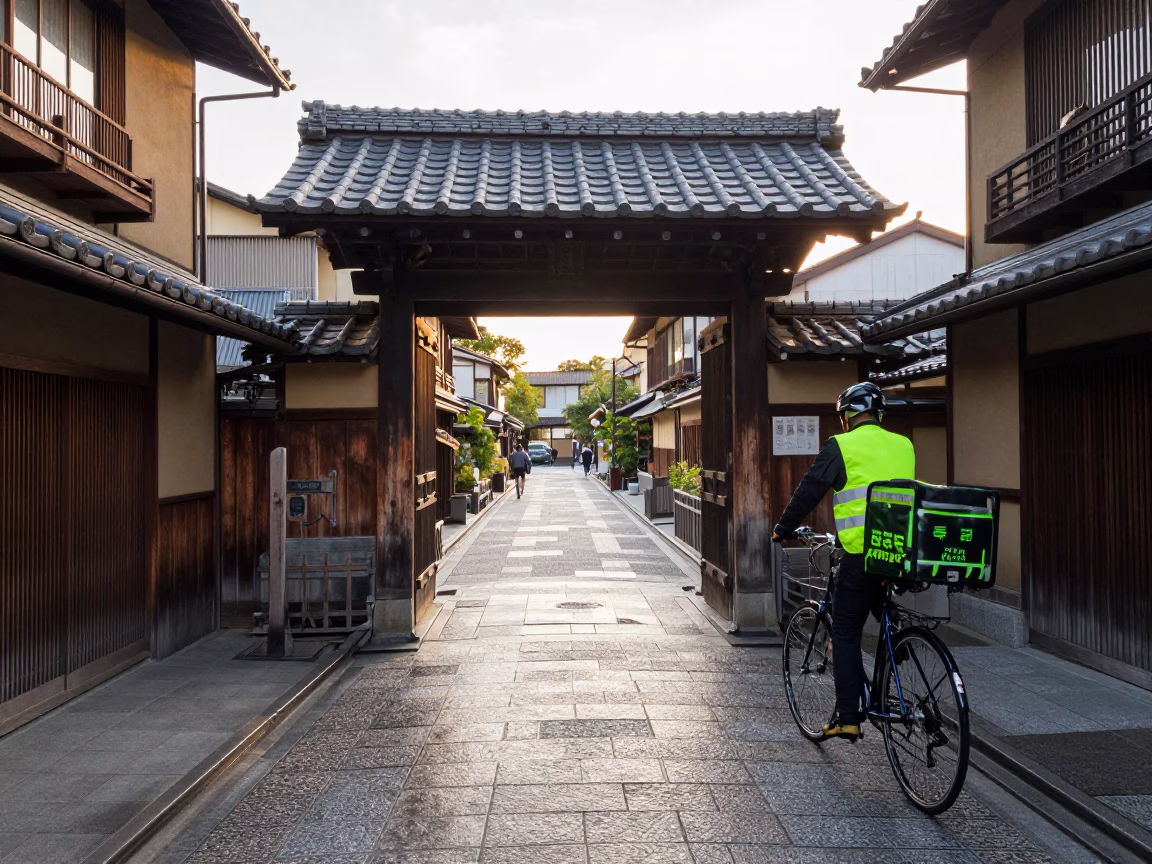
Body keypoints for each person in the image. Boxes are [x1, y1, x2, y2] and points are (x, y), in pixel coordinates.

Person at [772, 382, 915, 742]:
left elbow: (810, 487)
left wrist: (782, 528)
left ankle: (848, 717)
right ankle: (899, 646)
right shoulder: (904, 445)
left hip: (860, 556)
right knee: (878, 604)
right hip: (898, 554)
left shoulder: (842, 446)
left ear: (847, 417)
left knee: (846, 633)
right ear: (879, 413)